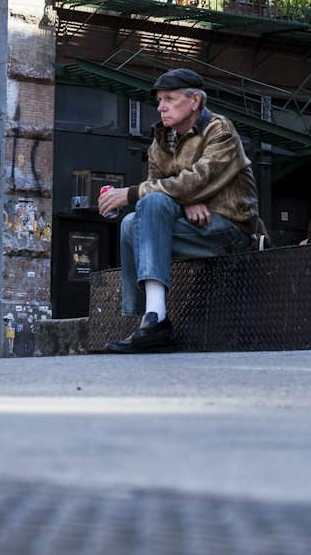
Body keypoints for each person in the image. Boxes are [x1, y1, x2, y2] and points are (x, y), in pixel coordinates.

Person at [98, 68, 261, 353]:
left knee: (147, 203)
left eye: (170, 99)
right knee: (129, 224)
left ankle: (155, 320)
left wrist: (181, 195)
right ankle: (151, 315)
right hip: (193, 227)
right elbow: (160, 185)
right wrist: (185, 200)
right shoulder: (161, 140)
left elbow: (199, 179)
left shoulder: (219, 130)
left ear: (195, 101)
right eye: (160, 100)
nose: (161, 106)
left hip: (230, 229)